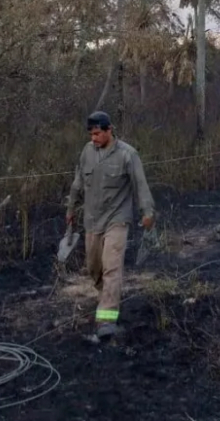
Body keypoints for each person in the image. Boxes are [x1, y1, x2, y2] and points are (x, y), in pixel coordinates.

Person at [66, 111, 155, 340]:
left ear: (109, 130)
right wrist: (70, 209)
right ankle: (105, 296)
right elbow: (77, 182)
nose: (93, 138)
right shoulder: (87, 152)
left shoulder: (128, 154)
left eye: (97, 134)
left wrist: (147, 212)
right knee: (94, 267)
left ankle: (106, 319)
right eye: (91, 134)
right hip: (92, 221)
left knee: (111, 267)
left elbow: (140, 185)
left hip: (117, 219)